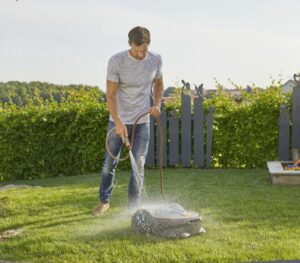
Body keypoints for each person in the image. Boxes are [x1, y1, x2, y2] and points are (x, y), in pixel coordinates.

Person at [92, 26, 164, 215]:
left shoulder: (155, 59)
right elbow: (111, 95)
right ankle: (104, 201)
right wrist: (117, 121)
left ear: (149, 45)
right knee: (109, 163)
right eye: (137, 50)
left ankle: (134, 207)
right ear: (129, 44)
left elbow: (158, 83)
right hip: (119, 120)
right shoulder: (117, 61)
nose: (141, 55)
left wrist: (157, 104)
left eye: (144, 50)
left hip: (142, 122)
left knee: (138, 164)